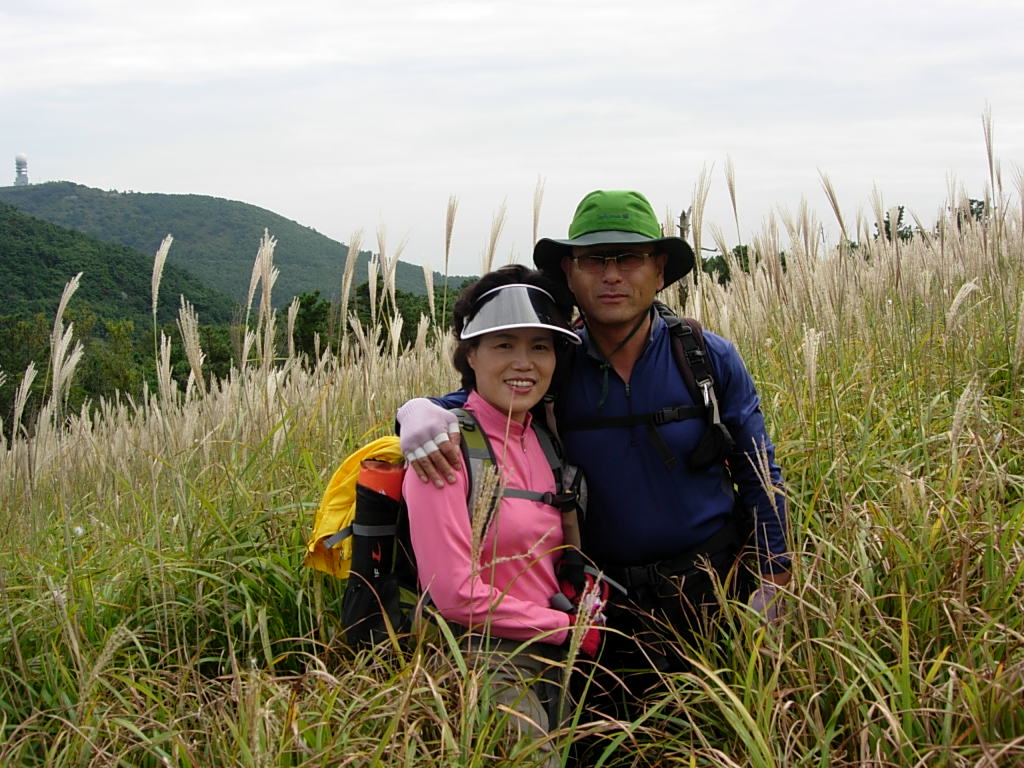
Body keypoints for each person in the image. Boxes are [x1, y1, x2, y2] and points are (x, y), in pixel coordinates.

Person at [399, 190, 790, 714]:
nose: (612, 276)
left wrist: (776, 575)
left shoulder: (704, 358)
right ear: (569, 271)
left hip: (713, 590)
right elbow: (482, 400)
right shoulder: (554, 360)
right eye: (594, 260)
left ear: (659, 270)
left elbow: (758, 467)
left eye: (630, 258)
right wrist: (416, 410)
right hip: (605, 611)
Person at [404, 264, 602, 766]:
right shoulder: (444, 446)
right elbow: (450, 593)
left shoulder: (543, 436)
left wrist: (581, 605)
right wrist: (563, 626)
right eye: (503, 344)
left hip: (556, 664)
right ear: (470, 354)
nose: (524, 362)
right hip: (486, 668)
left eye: (540, 346)